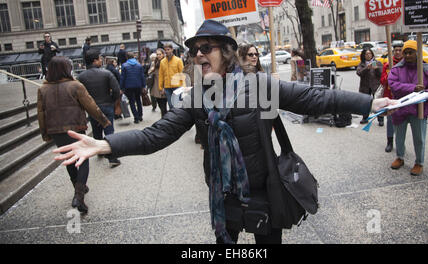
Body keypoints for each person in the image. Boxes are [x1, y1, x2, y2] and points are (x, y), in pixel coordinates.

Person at [53, 19, 395, 244]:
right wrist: (105, 144)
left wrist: (367, 104)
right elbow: (156, 134)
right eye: (194, 50)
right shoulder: (197, 97)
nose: (198, 54)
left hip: (264, 189)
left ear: (226, 53)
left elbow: (312, 98)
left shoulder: (258, 85)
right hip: (223, 196)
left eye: (207, 48)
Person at [37, 56, 111, 214]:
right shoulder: (75, 85)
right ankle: (79, 195)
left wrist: (45, 133)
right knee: (82, 160)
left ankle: (79, 191)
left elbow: (41, 113)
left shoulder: (43, 89)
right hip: (75, 128)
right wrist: (103, 120)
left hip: (56, 130)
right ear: (66, 69)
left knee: (69, 160)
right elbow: (90, 104)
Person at [388, 40, 428, 176]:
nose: (407, 55)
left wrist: (425, 94)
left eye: (410, 52)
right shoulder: (396, 69)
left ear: (417, 53)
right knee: (399, 136)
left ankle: (419, 162)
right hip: (400, 109)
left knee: (419, 138)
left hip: (419, 109)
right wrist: (413, 89)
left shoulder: (427, 70)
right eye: (405, 52)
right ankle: (400, 157)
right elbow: (393, 85)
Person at [77, 49, 121, 168]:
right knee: (109, 130)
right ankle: (112, 157)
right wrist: (112, 100)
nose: (101, 61)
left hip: (92, 108)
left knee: (96, 131)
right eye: (100, 59)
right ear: (95, 60)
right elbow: (117, 91)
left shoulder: (81, 77)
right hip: (106, 105)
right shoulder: (106, 74)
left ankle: (100, 151)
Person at [379, 41, 404, 152]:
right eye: (396, 50)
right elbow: (382, 81)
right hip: (390, 96)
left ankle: (401, 143)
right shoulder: (388, 65)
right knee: (390, 120)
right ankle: (389, 142)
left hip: (402, 97)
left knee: (402, 122)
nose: (398, 52)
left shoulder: (406, 64)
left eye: (400, 50)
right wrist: (390, 74)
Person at [356, 46, 384, 125]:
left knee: (378, 102)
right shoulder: (362, 64)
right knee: (365, 103)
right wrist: (366, 68)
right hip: (365, 87)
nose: (368, 55)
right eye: (366, 54)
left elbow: (382, 74)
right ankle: (365, 118)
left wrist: (376, 69)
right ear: (363, 55)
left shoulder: (377, 62)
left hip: (375, 86)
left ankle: (380, 119)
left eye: (370, 54)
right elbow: (359, 73)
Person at [121, 52, 146, 124]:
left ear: (127, 57)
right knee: (138, 100)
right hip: (138, 85)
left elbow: (123, 77)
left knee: (132, 101)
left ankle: (136, 117)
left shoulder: (124, 65)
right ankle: (140, 115)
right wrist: (143, 86)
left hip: (128, 86)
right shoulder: (139, 65)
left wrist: (121, 87)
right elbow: (142, 76)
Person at [159, 43, 184, 109]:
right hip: (167, 87)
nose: (167, 51)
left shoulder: (178, 60)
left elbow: (182, 74)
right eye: (165, 50)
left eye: (168, 49)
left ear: (172, 49)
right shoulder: (162, 62)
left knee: (177, 105)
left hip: (177, 86)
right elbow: (161, 75)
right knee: (171, 105)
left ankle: (179, 118)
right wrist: (161, 88)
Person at [149, 48, 168, 118]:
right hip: (156, 86)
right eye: (157, 54)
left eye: (160, 54)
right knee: (160, 104)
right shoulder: (154, 62)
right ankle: (164, 118)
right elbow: (149, 72)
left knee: (163, 105)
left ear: (163, 54)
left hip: (164, 85)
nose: (158, 56)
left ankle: (164, 119)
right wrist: (151, 70)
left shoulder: (166, 62)